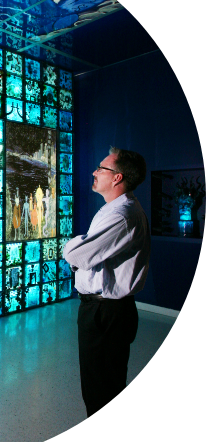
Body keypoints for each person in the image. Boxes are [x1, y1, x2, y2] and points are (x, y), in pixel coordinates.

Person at [63, 147, 150, 418]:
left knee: (100, 391)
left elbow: (76, 255)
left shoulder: (120, 215)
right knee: (102, 386)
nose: (94, 171)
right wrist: (85, 246)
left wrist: (76, 245)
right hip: (107, 310)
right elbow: (87, 252)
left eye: (102, 168)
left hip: (105, 312)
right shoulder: (115, 209)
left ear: (117, 178)